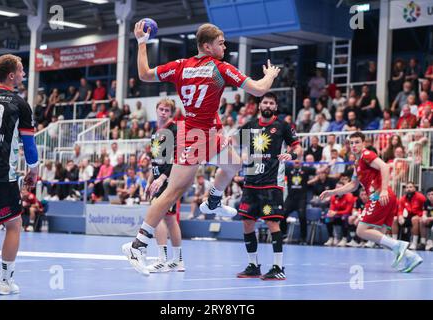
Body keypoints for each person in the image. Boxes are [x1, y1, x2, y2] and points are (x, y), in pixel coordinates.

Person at [122, 21, 282, 275]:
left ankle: (213, 201)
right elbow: (260, 88)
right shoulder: (219, 68)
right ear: (207, 46)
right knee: (172, 192)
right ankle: (137, 245)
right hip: (194, 136)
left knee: (234, 164)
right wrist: (271, 74)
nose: (224, 46)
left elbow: (143, 74)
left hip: (208, 131)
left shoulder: (180, 66)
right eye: (220, 43)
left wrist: (142, 42)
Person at [320, 132, 423, 273]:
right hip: (386, 198)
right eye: (352, 143)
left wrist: (384, 190)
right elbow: (353, 185)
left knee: (361, 230)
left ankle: (399, 246)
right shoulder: (357, 163)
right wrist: (332, 192)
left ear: (363, 143)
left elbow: (385, 167)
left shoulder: (366, 154)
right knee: (379, 236)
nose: (354, 145)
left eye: (357, 142)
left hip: (380, 196)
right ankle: (411, 256)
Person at [0, 54, 39, 296]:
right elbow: (29, 145)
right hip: (1, 175)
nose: (24, 74)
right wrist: (33, 170)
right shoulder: (19, 104)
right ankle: (5, 282)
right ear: (11, 75)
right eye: (22, 70)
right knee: (14, 225)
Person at [236, 92, 303, 280]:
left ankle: (278, 267)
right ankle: (253, 265)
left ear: (275, 107)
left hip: (272, 183)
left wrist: (293, 155)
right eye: (265, 102)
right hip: (250, 183)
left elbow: (298, 147)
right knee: (247, 222)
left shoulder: (283, 126)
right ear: (259, 105)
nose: (267, 105)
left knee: (272, 222)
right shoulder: (249, 126)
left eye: (271, 103)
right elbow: (235, 145)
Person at [144, 99, 185, 272]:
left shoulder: (174, 130)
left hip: (168, 180)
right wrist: (149, 181)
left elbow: (175, 159)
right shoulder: (156, 132)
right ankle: (178, 260)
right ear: (156, 110)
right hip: (158, 180)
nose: (163, 112)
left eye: (166, 110)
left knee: (158, 215)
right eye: (161, 109)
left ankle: (162, 260)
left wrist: (161, 178)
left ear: (171, 113)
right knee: (169, 219)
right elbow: (155, 161)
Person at [280, 160, 317, 245]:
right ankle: (283, 234)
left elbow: (318, 172)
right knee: (282, 214)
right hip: (290, 198)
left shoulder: (306, 169)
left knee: (302, 216)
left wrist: (329, 165)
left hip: (301, 198)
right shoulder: (288, 169)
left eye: (298, 162)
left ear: (301, 162)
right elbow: (278, 170)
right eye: (295, 162)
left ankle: (303, 238)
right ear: (293, 163)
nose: (297, 163)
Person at [392, 182, 426, 250]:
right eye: (407, 187)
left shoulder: (420, 197)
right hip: (409, 217)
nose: (408, 189)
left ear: (414, 188)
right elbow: (400, 210)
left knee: (414, 219)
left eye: (410, 187)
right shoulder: (403, 198)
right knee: (395, 219)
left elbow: (425, 208)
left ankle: (414, 242)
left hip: (419, 217)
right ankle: (394, 242)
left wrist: (421, 216)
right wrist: (400, 216)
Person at [322, 181, 355, 247]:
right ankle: (331, 238)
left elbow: (348, 211)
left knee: (344, 217)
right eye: (336, 187)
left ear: (343, 188)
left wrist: (336, 213)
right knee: (327, 217)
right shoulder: (333, 197)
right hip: (337, 215)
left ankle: (344, 238)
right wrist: (330, 213)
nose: (337, 189)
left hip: (347, 215)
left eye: (339, 187)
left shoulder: (349, 196)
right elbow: (332, 208)